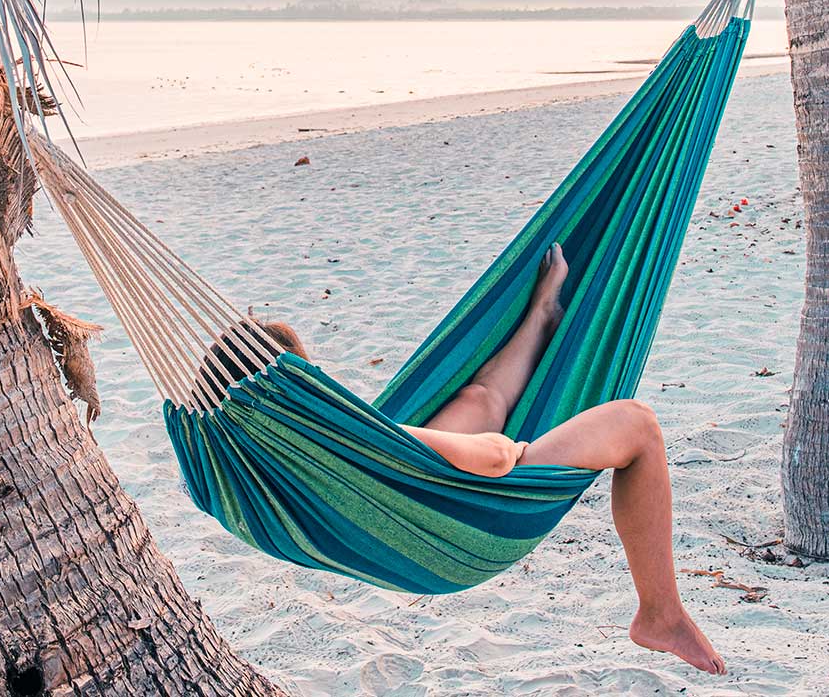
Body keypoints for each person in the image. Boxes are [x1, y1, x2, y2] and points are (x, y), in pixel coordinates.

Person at [199, 243, 726, 675]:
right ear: (303, 389)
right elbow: (496, 459)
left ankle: (542, 314)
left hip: (399, 513)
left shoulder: (225, 478)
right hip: (465, 523)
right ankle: (659, 612)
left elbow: (477, 416)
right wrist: (512, 447)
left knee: (479, 400)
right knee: (636, 424)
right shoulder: (352, 442)